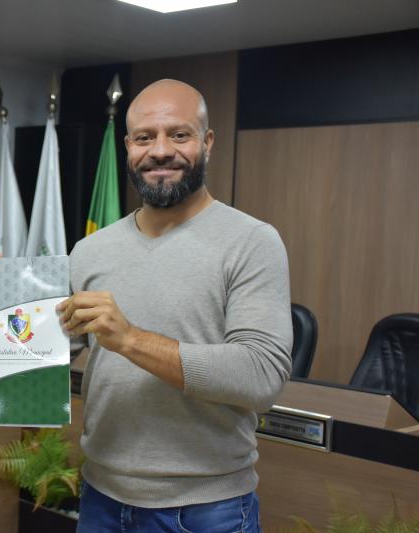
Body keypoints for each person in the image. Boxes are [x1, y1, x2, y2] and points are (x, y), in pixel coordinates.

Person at [54, 79, 293, 532]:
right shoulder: (89, 250)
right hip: (101, 501)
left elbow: (262, 376)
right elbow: (49, 352)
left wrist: (131, 340)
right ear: (128, 147)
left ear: (208, 142)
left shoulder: (252, 242)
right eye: (145, 137)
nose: (161, 151)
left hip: (208, 511)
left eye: (179, 135)